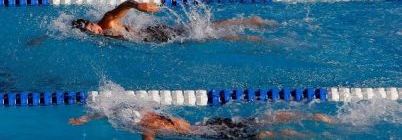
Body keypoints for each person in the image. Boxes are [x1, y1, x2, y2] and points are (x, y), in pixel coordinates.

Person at [70, 0, 275, 44]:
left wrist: (138, 5)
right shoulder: (100, 36)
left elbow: (124, 5)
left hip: (153, 34)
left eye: (91, 26)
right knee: (200, 32)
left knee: (201, 35)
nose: (94, 30)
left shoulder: (106, 21)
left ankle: (248, 29)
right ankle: (247, 23)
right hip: (150, 35)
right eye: (90, 31)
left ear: (92, 22)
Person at [70, 107, 337, 139]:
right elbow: (111, 110)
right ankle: (312, 116)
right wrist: (87, 117)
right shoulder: (151, 112)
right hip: (209, 122)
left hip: (208, 134)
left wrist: (86, 118)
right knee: (258, 120)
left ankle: (301, 134)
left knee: (260, 135)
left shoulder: (148, 128)